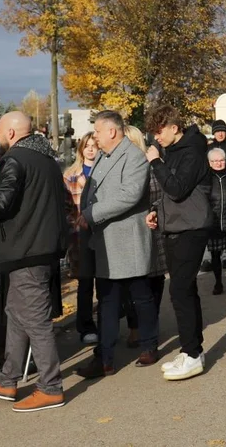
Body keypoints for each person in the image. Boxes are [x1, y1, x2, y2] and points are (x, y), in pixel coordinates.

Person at [0, 112, 69, 413]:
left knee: (36, 320)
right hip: (37, 245)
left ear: (12, 133)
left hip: (26, 248)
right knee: (16, 312)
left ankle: (50, 387)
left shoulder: (15, 159)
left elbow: (2, 203)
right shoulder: (48, 160)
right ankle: (8, 378)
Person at [76, 111, 158, 378]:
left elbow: (129, 196)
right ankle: (105, 358)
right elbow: (91, 190)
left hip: (127, 240)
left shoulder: (134, 157)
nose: (95, 137)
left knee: (140, 296)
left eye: (98, 132)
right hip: (104, 241)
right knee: (108, 301)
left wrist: (90, 214)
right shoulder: (103, 155)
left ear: (112, 131)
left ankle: (149, 345)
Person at [144, 105, 214, 381]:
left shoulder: (193, 151)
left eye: (159, 131)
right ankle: (191, 350)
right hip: (176, 225)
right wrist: (156, 211)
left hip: (192, 227)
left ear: (174, 127)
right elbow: (170, 193)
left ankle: (193, 353)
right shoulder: (174, 151)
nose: (155, 138)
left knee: (180, 290)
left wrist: (155, 162)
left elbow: (177, 187)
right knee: (186, 289)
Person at [122, 126, 168, 346]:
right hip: (130, 230)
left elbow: (161, 193)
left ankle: (149, 324)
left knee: (154, 280)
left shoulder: (149, 164)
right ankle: (135, 326)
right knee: (133, 282)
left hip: (152, 228)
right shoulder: (120, 165)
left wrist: (154, 211)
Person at [63, 132, 99, 345]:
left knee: (105, 283)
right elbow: (65, 206)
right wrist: (73, 223)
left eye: (94, 145)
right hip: (79, 236)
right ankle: (85, 326)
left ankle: (106, 322)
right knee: (85, 283)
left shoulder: (105, 170)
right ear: (81, 149)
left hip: (101, 231)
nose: (91, 149)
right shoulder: (70, 175)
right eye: (87, 146)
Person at [206, 147, 226, 295]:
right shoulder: (206, 177)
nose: (218, 163)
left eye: (221, 160)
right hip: (213, 220)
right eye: (214, 161)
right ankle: (218, 281)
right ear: (209, 162)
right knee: (215, 254)